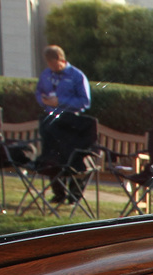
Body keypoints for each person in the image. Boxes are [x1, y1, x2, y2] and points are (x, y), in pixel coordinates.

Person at [33, 45, 91, 204]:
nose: (51, 68)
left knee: (73, 159)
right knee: (51, 158)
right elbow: (38, 92)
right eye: (48, 64)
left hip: (70, 124)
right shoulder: (46, 74)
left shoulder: (77, 76)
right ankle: (58, 193)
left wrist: (60, 102)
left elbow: (85, 101)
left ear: (61, 60)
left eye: (53, 64)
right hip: (51, 122)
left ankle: (74, 195)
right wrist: (43, 100)